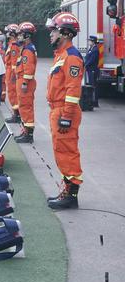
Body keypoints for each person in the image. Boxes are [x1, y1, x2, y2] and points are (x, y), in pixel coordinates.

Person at [45, 12, 84, 210]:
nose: (50, 35)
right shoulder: (61, 55)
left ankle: (71, 196)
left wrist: (67, 116)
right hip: (58, 110)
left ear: (65, 33)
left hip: (64, 112)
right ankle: (67, 191)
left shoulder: (71, 57)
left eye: (54, 31)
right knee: (61, 152)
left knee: (67, 152)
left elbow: (72, 89)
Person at [14, 22, 37, 144]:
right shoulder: (25, 49)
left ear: (27, 36)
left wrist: (24, 83)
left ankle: (29, 135)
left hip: (25, 83)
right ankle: (25, 131)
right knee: (23, 107)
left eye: (20, 35)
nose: (18, 37)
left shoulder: (28, 50)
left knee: (26, 108)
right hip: (22, 81)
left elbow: (29, 69)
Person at [4, 24, 21, 123]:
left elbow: (14, 62)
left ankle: (16, 115)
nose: (7, 34)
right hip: (9, 70)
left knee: (13, 93)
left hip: (11, 72)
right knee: (11, 93)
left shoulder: (14, 45)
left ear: (12, 33)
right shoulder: (11, 44)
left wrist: (13, 75)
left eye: (8, 32)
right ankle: (15, 113)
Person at [84, 35, 99, 108]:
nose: (89, 42)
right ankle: (91, 101)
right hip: (90, 70)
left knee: (93, 86)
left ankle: (94, 102)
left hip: (93, 70)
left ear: (93, 42)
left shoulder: (95, 49)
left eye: (90, 40)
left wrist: (85, 65)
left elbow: (92, 60)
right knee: (90, 85)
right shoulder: (91, 48)